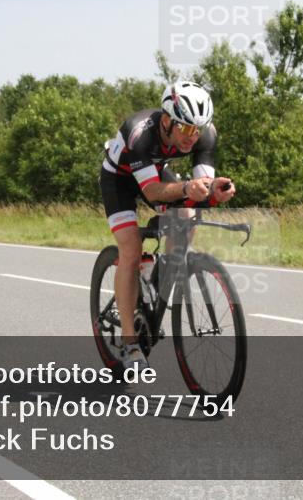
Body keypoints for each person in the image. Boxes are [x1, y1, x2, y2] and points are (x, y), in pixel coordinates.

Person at [100, 81, 236, 370]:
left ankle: (160, 278)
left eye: (196, 130)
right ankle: (129, 340)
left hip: (156, 170)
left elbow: (203, 186)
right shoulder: (139, 133)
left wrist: (214, 192)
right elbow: (151, 192)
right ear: (166, 121)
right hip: (119, 180)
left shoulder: (204, 134)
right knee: (131, 249)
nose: (192, 137)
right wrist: (189, 188)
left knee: (186, 219)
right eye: (185, 128)